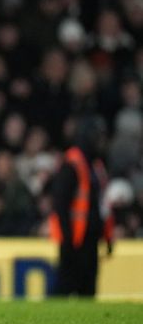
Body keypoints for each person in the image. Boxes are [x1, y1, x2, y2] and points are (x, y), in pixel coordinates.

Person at [49, 115, 114, 297]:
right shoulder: (72, 164)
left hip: (91, 239)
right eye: (98, 136)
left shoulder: (97, 166)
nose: (101, 141)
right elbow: (60, 204)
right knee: (64, 288)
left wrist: (108, 236)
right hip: (75, 239)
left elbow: (103, 206)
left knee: (88, 289)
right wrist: (67, 237)